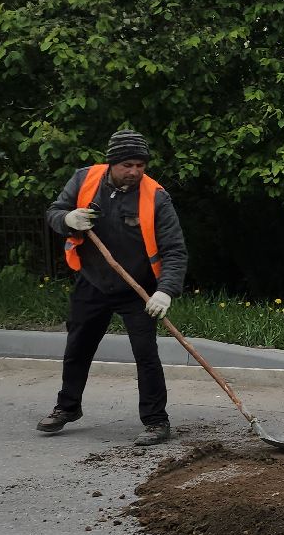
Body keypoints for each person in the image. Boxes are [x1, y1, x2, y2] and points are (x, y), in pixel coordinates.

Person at [38, 129, 189, 445]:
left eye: (140, 165)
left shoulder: (156, 197)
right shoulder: (84, 180)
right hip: (92, 282)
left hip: (137, 290)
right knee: (77, 347)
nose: (135, 172)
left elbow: (175, 249)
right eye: (127, 165)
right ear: (112, 164)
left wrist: (166, 290)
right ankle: (67, 408)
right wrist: (68, 220)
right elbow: (54, 212)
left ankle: (156, 421)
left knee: (146, 354)